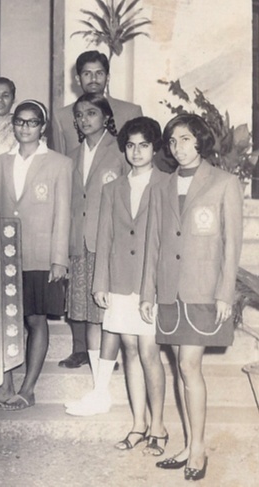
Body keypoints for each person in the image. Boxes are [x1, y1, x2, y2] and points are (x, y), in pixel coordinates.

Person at [140, 114, 243, 481]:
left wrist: (225, 293)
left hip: (203, 289)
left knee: (188, 367)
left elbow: (231, 246)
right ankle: (187, 444)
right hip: (169, 290)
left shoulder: (224, 183)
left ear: (200, 141)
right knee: (181, 367)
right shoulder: (160, 187)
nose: (178, 147)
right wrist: (148, 292)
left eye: (185, 139)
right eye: (172, 141)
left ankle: (198, 449)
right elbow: (154, 242)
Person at [65, 117, 170, 458]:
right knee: (129, 351)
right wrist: (100, 284)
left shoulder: (167, 186)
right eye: (130, 145)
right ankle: (139, 424)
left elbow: (166, 242)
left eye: (143, 145)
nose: (136, 152)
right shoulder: (113, 188)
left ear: (155, 148)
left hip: (150, 282)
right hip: (120, 280)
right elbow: (104, 237)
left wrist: (153, 289)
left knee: (149, 352)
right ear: (124, 149)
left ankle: (159, 425)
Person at [0, 100, 71, 410]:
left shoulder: (60, 164)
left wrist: (59, 258)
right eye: (20, 122)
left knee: (35, 319)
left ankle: (28, 388)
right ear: (13, 125)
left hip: (41, 256)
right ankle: (4, 387)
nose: (25, 127)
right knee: (5, 321)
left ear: (42, 127)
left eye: (32, 122)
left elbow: (63, 215)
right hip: (5, 257)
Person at [62, 94, 127, 375]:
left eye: (91, 113)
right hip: (80, 241)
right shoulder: (71, 156)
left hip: (109, 243)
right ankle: (95, 364)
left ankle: (111, 359)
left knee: (108, 308)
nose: (84, 119)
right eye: (79, 114)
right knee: (87, 310)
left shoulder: (121, 151)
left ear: (106, 117)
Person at [51, 50, 142, 157]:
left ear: (108, 78)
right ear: (78, 79)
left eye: (99, 73)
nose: (93, 79)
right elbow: (60, 163)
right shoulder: (61, 117)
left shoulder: (130, 112)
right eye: (87, 74)